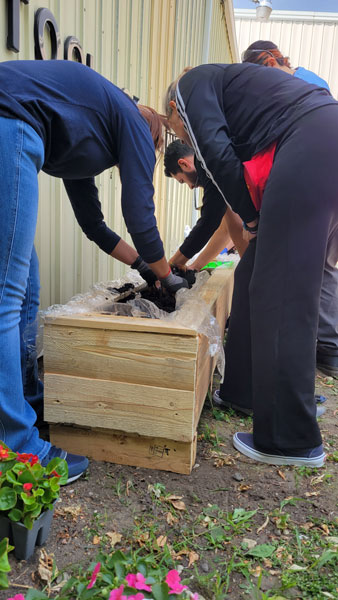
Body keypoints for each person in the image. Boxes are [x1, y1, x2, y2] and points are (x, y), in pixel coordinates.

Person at [0, 59, 188, 483]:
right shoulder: (138, 122)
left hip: (12, 123)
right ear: (155, 134)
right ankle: (19, 449)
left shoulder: (84, 128)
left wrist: (143, 266)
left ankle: (26, 401)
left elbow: (94, 227)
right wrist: (164, 275)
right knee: (6, 297)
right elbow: (140, 214)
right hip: (8, 123)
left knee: (27, 288)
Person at [164, 62, 338, 467]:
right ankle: (243, 391)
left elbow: (219, 157)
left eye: (176, 128)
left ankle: (289, 439)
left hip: (310, 143)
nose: (181, 132)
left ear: (173, 106)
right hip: (317, 142)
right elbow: (215, 202)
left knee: (281, 293)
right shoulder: (229, 91)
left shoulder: (189, 86)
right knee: (255, 275)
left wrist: (252, 217)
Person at [241, 40, 338, 380]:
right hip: (327, 180)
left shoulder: (299, 84)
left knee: (306, 272)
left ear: (269, 62)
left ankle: (315, 352)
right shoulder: (311, 81)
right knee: (322, 266)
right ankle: (327, 348)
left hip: (318, 182)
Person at [164, 140, 248, 269]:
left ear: (184, 164)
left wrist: (173, 264)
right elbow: (225, 229)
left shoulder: (209, 163)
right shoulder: (219, 179)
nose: (191, 187)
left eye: (183, 181)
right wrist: (195, 266)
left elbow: (209, 221)